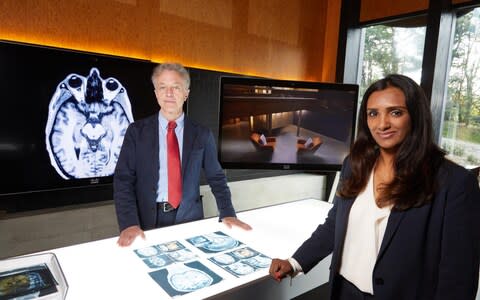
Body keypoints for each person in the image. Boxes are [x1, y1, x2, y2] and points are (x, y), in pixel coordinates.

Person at [269, 74, 480, 299]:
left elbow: (458, 277)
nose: (382, 124)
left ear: (416, 116)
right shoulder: (354, 164)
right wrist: (295, 262)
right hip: (343, 292)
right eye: (373, 114)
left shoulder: (454, 183)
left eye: (396, 112)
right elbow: (334, 225)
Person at [114, 62, 251, 247]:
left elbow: (217, 177)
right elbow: (123, 180)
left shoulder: (202, 134)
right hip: (145, 221)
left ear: (186, 93)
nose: (169, 93)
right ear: (156, 93)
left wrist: (227, 212)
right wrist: (129, 223)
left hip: (189, 218)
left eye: (176, 87)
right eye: (163, 87)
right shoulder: (136, 132)